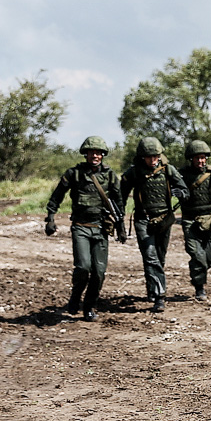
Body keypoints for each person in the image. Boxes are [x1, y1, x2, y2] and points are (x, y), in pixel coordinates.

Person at [44, 136, 124, 321]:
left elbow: (118, 202)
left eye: (98, 153)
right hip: (80, 227)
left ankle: (89, 306)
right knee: (83, 267)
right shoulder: (74, 174)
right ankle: (76, 295)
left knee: (99, 272)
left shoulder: (110, 175)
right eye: (91, 153)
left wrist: (120, 227)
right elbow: (57, 196)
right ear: (86, 154)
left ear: (103, 155)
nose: (95, 156)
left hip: (101, 228)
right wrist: (50, 219)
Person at [120, 137, 189, 312]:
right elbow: (120, 196)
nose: (153, 160)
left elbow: (185, 191)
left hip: (164, 219)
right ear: (142, 157)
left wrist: (180, 193)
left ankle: (152, 288)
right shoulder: (134, 172)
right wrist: (119, 220)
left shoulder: (168, 170)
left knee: (159, 257)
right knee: (150, 256)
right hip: (143, 220)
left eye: (155, 156)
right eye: (149, 157)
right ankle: (160, 297)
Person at [178, 140, 211, 300]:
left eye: (203, 158)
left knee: (209, 256)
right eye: (197, 158)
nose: (201, 161)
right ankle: (199, 288)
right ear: (191, 159)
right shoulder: (182, 176)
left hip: (209, 221)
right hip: (190, 221)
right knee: (197, 255)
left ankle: (198, 274)